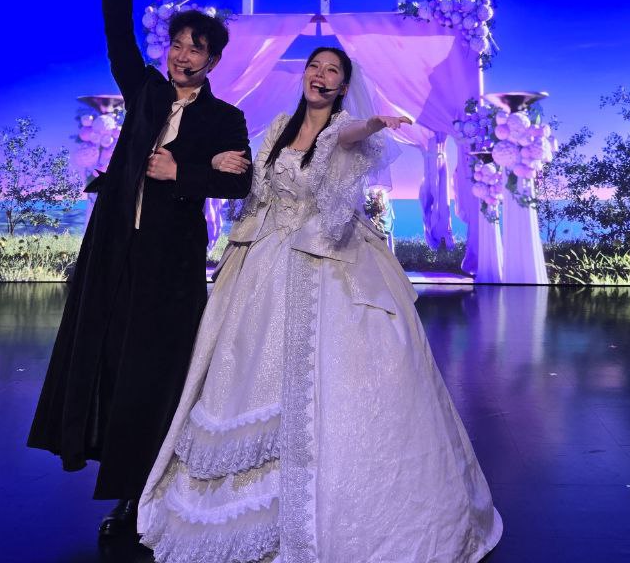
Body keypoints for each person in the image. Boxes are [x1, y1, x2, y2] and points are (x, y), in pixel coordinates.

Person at [138, 46, 503, 563]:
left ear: (343, 85)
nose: (321, 76)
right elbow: (256, 186)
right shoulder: (279, 127)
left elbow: (346, 138)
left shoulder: (343, 130)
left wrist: (373, 123)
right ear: (305, 75)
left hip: (323, 254)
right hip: (265, 254)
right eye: (315, 67)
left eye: (332, 71)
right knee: (242, 363)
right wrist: (218, 164)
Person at [27, 0, 253, 546]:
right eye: (177, 45)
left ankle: (142, 492)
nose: (182, 56)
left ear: (213, 61)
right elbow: (119, 41)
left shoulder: (224, 118)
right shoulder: (146, 91)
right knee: (105, 362)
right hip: (113, 253)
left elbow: (241, 182)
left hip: (169, 268)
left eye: (195, 49)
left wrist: (186, 172)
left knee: (155, 375)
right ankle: (115, 472)